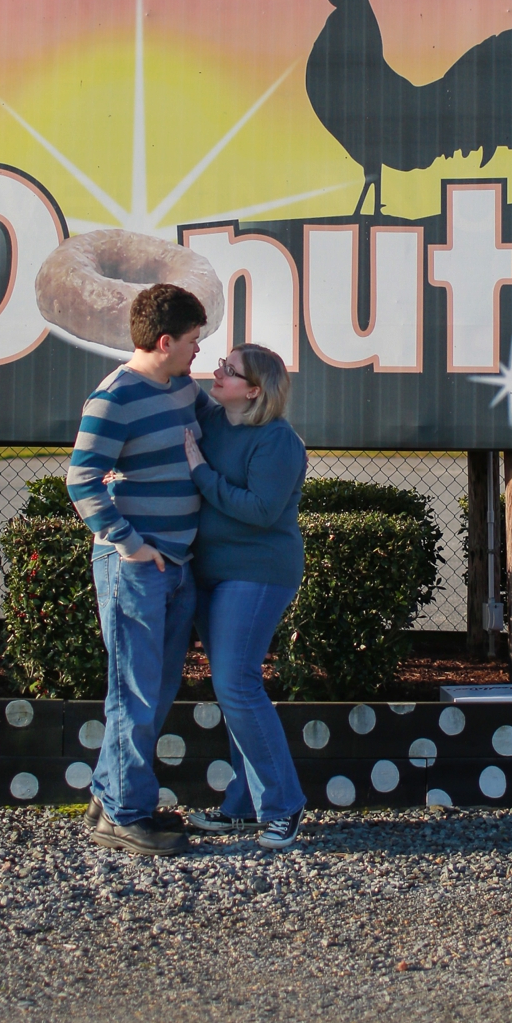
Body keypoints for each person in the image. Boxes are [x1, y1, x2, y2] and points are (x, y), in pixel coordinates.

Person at [67, 283, 206, 857]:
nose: (200, 350)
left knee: (155, 689)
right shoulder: (114, 397)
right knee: (135, 693)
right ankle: (126, 815)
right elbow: (81, 481)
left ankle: (111, 793)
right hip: (138, 568)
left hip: (176, 566)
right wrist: (129, 545)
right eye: (195, 340)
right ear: (166, 341)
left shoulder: (183, 389)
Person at [183, 344, 308, 850]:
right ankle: (244, 807)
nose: (216, 371)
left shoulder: (278, 441)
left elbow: (259, 510)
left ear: (253, 390)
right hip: (209, 573)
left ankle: (283, 807)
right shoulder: (212, 420)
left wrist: (199, 470)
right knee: (230, 686)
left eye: (228, 370)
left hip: (257, 573)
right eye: (220, 364)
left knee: (237, 683)